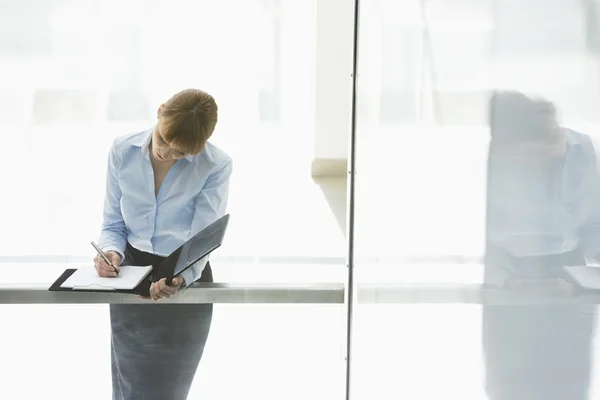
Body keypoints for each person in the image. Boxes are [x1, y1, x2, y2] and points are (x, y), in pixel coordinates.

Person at [93, 88, 233, 400]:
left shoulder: (215, 165)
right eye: (164, 142)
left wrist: (179, 277)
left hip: (183, 277)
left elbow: (203, 239)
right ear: (159, 112)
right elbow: (113, 222)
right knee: (129, 389)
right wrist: (111, 252)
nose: (167, 154)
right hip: (130, 277)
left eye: (181, 154)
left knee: (169, 392)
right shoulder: (122, 150)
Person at [483, 90, 598, 400]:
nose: (557, 150)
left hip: (571, 279)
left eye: (556, 137)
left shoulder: (580, 149)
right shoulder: (491, 163)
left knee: (569, 385)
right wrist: (506, 282)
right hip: (505, 280)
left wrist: (578, 284)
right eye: (542, 146)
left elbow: (595, 234)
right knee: (510, 385)